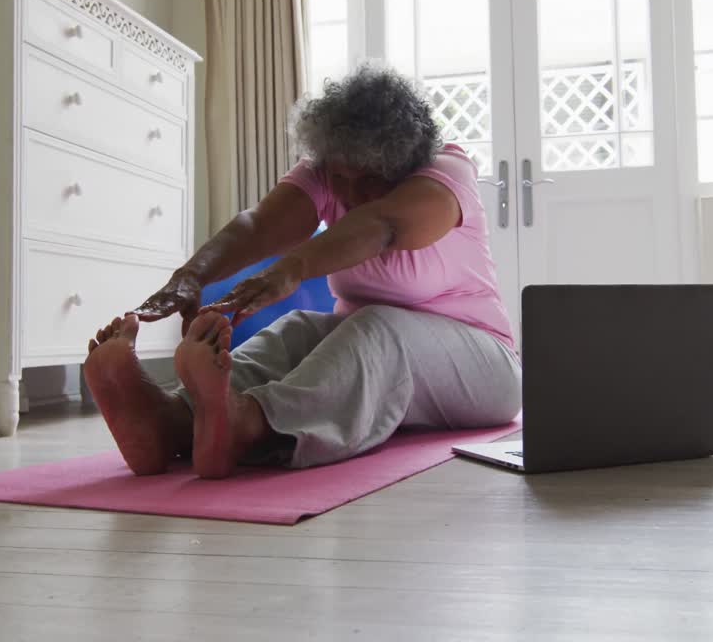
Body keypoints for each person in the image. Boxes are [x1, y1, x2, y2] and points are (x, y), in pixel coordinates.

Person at [83, 63, 520, 479]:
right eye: (336, 176)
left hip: (486, 371)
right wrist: (193, 275)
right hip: (379, 356)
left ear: (399, 166)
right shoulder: (328, 173)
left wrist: (290, 271)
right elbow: (259, 224)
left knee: (377, 325)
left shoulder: (446, 174)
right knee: (298, 329)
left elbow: (381, 225)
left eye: (363, 178)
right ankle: (172, 422)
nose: (346, 191)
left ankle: (250, 424)